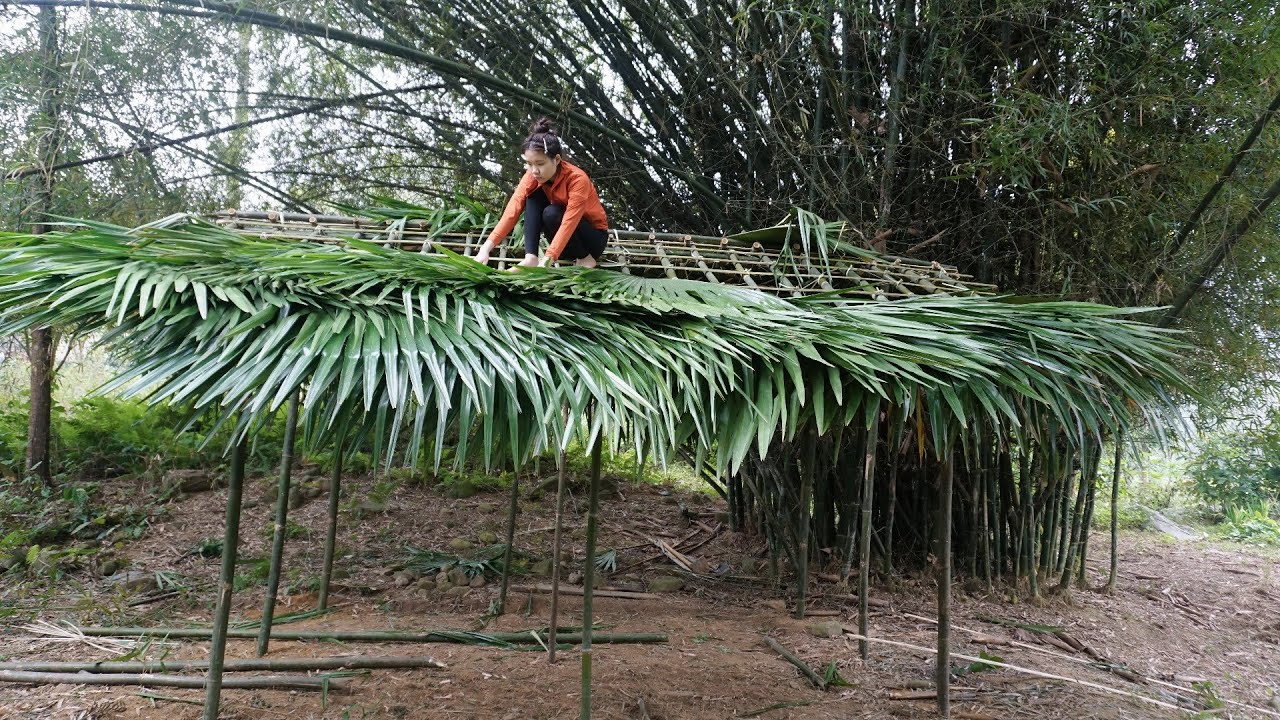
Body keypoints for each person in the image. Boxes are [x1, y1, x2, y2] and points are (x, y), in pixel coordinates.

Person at [474, 118, 609, 269]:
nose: (534, 170)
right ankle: (530, 257)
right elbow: (513, 209)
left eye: (540, 164)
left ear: (557, 159)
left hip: (591, 241)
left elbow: (569, 222)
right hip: (564, 245)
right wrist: (485, 249)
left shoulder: (577, 179)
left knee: (552, 213)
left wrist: (548, 259)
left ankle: (585, 259)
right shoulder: (532, 176)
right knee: (532, 196)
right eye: (529, 164)